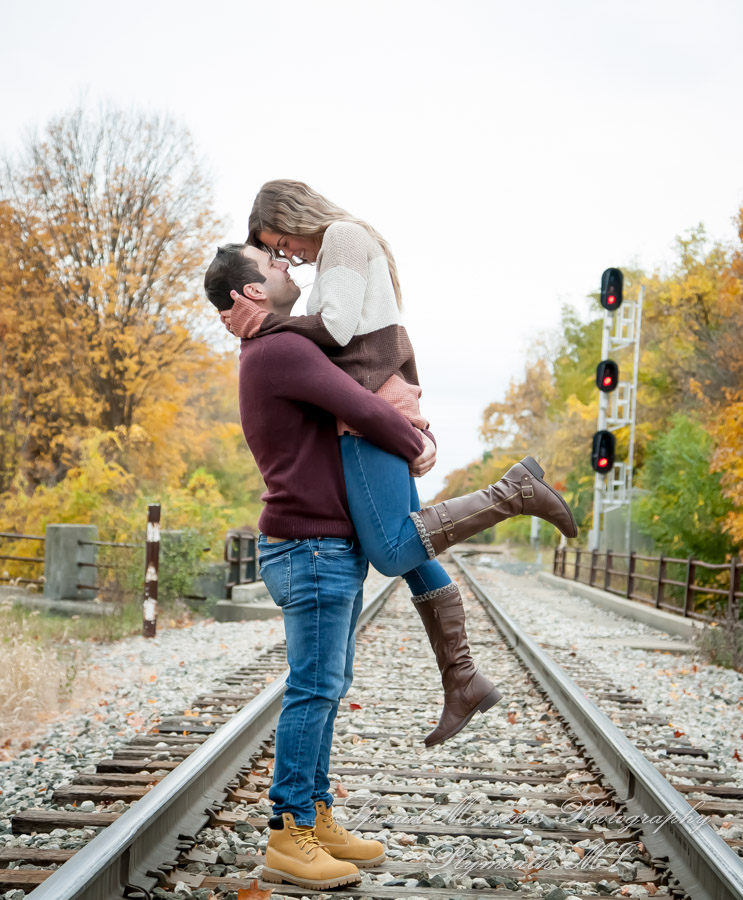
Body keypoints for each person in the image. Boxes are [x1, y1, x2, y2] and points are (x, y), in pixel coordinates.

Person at [219, 180, 577, 746]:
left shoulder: (341, 237)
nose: (287, 255)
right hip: (374, 405)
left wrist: (267, 324)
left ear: (292, 216)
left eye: (280, 242)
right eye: (275, 252)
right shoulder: (348, 243)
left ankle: (514, 494)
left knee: (390, 549)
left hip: (368, 413)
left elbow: (335, 333)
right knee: (413, 550)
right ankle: (461, 680)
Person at [204, 243, 439, 889]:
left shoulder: (276, 348)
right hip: (308, 546)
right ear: (249, 293)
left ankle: (314, 813)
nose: (289, 270)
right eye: (273, 266)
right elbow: (364, 409)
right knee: (313, 689)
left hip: (318, 546)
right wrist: (417, 444)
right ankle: (288, 834)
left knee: (326, 687)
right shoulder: (281, 350)